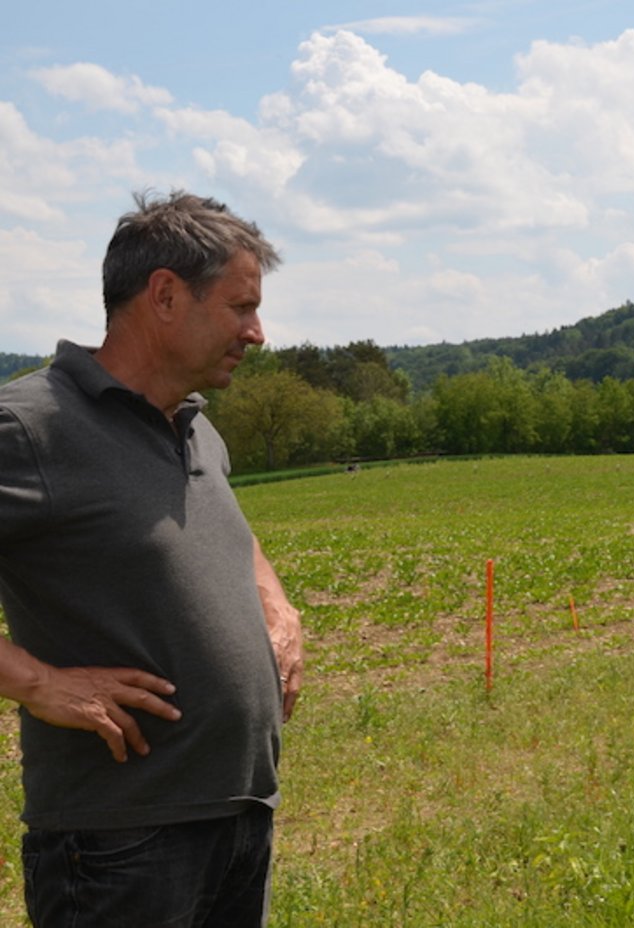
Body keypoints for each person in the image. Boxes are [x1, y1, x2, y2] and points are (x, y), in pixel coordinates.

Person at [0, 190, 305, 927]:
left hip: (237, 818)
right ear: (165, 295)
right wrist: (38, 683)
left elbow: (224, 532)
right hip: (118, 846)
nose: (257, 332)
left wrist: (276, 601)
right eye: (240, 307)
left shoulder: (196, 428)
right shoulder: (30, 427)